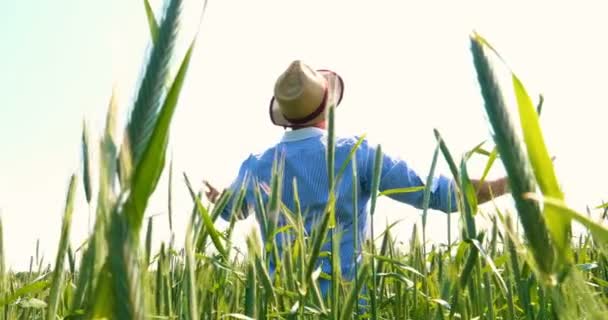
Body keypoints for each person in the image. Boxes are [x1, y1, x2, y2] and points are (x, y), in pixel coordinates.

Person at [204, 60, 509, 294]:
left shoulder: (256, 166)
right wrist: (507, 184)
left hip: (278, 306)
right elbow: (441, 195)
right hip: (349, 304)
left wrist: (220, 200)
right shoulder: (358, 155)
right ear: (328, 106)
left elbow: (234, 211)